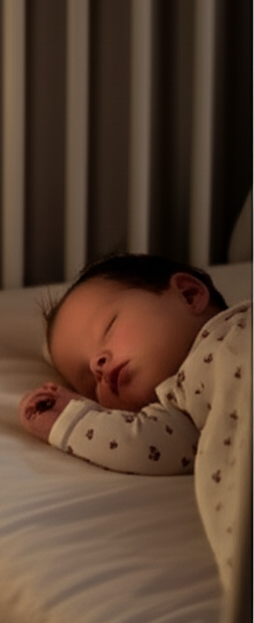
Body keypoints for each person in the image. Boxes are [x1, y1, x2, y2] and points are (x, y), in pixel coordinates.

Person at [18, 253, 250, 591]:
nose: (97, 363)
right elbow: (142, 444)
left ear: (188, 294)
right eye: (87, 382)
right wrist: (66, 419)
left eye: (109, 328)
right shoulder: (180, 407)